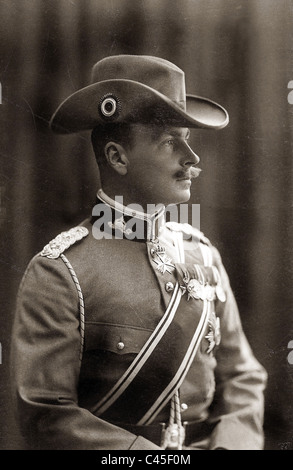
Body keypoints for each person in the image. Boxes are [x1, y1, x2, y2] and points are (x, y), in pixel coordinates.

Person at [10, 55, 267, 450]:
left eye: (187, 138)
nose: (191, 158)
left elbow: (242, 378)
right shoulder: (61, 272)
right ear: (117, 157)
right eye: (169, 141)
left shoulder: (202, 256)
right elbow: (47, 414)